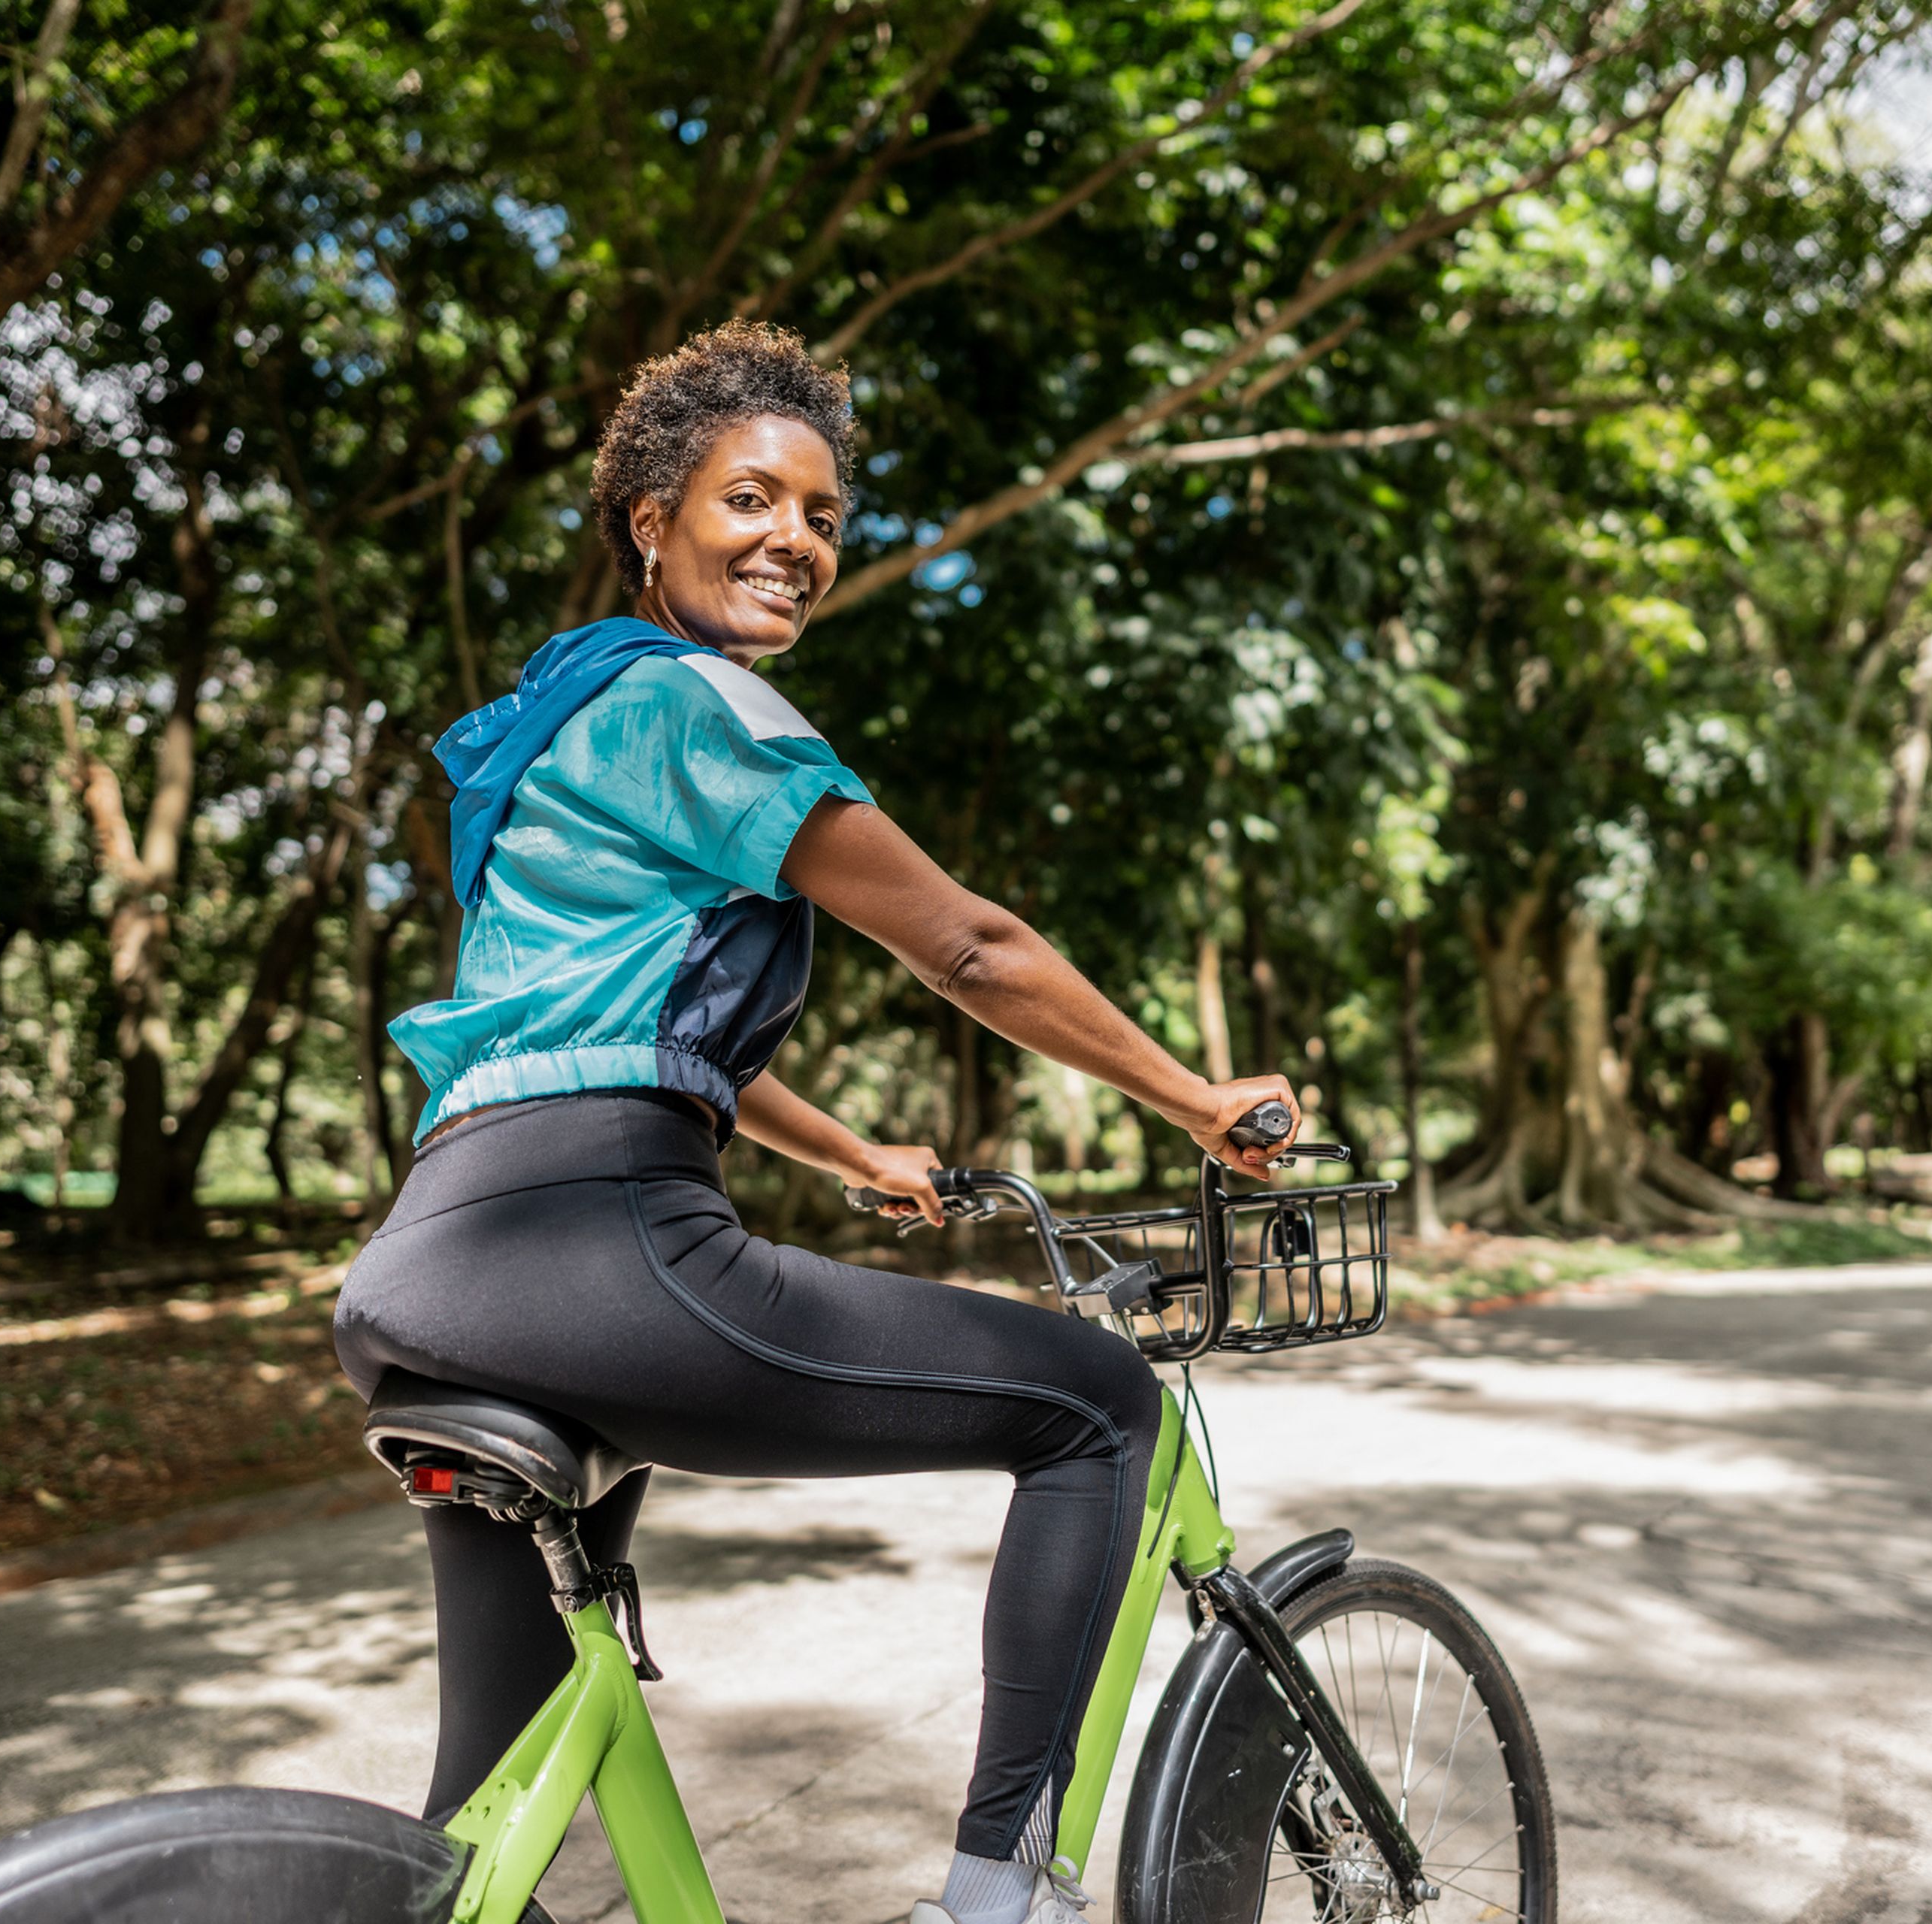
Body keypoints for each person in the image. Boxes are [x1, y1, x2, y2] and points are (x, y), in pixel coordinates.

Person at [332, 319, 1295, 1924]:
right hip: (600, 1239)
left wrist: (847, 1150)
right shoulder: (700, 706)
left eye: (825, 516)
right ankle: (1005, 1893)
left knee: (477, 1829)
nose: (796, 538)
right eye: (752, 500)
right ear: (655, 519)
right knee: (1098, 1400)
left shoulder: (557, 727)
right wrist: (1203, 1100)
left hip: (439, 1271)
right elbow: (969, 945)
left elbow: (613, 1022)